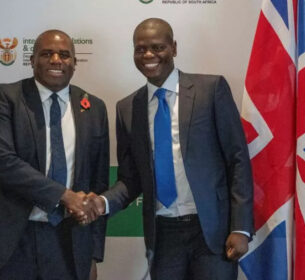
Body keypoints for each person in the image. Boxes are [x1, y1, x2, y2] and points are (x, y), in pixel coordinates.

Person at [86, 18, 254, 279]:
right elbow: (131, 179)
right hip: (163, 235)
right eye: (140, 49)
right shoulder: (127, 107)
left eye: (158, 47)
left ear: (174, 48)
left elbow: (238, 159)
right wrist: (102, 202)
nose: (149, 55)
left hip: (212, 230)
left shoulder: (210, 90)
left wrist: (241, 227)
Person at [0, 30, 109, 280]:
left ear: (74, 63)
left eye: (64, 54)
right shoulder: (7, 98)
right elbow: (4, 162)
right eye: (47, 54)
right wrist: (64, 196)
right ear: (32, 60)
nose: (56, 60)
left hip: (69, 243)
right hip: (14, 241)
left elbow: (99, 183)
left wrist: (92, 254)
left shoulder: (94, 107)